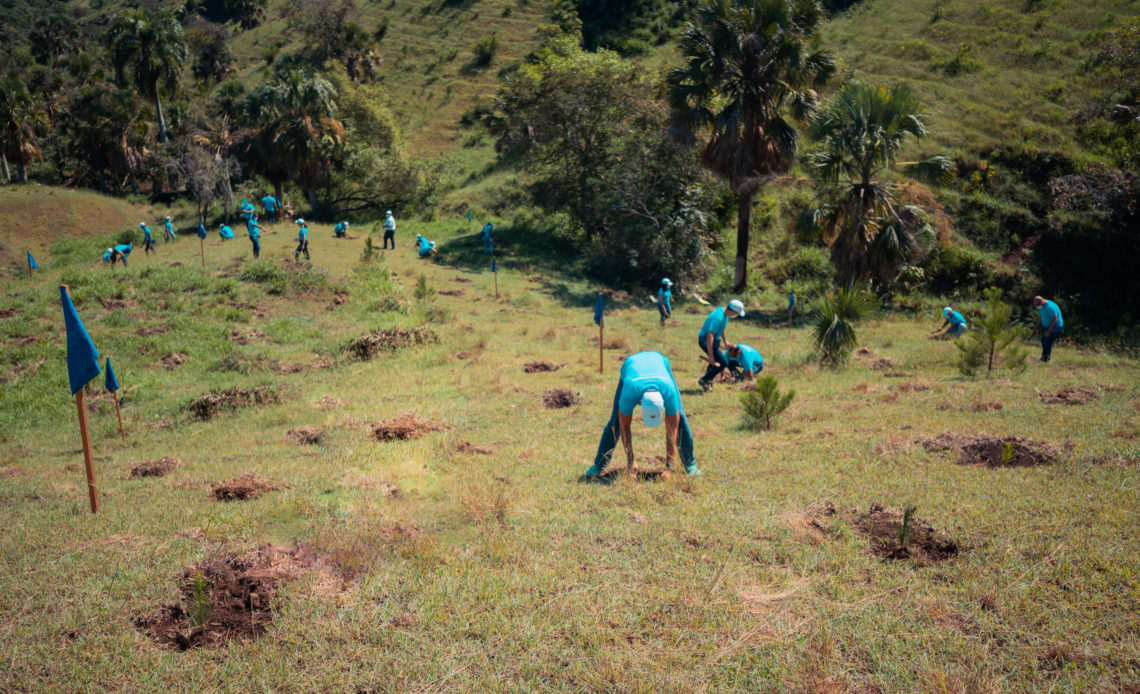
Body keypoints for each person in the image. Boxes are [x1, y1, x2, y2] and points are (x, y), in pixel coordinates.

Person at [585, 350, 701, 478]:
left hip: (659, 361)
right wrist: (631, 461)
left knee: (681, 419)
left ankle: (690, 464)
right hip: (632, 365)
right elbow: (625, 427)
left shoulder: (669, 392)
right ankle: (599, 465)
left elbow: (672, 427)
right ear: (640, 402)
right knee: (616, 421)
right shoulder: (630, 392)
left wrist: (670, 465)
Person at [697, 299, 746, 392]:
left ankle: (708, 381)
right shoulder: (718, 317)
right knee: (723, 363)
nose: (736, 315)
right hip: (705, 340)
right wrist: (711, 355)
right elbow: (709, 335)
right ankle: (705, 380)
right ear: (733, 311)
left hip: (714, 340)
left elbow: (721, 327)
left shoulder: (723, 312)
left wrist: (725, 340)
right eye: (736, 313)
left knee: (716, 361)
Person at [1032, 295, 1064, 363]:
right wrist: (1036, 327)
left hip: (1056, 327)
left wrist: (1049, 331)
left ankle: (1046, 359)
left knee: (1047, 342)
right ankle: (1044, 357)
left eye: (1037, 305)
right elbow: (1041, 316)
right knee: (1043, 341)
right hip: (1048, 327)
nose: (1037, 307)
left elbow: (1055, 319)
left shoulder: (1050, 307)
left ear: (1041, 301)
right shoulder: (1041, 306)